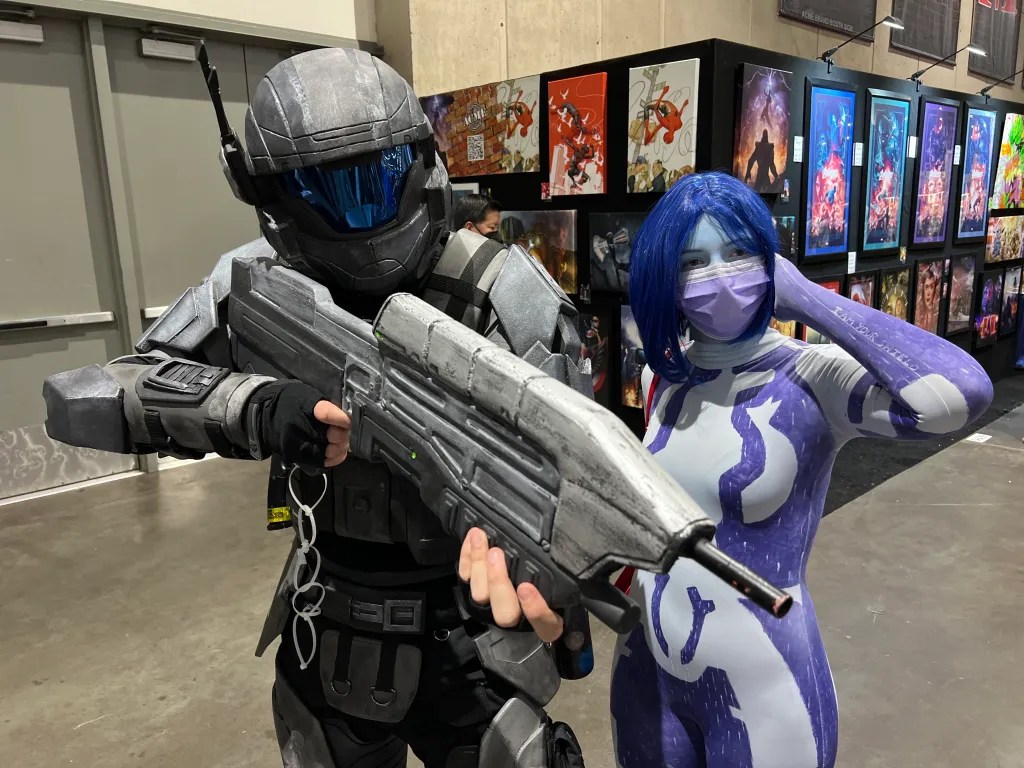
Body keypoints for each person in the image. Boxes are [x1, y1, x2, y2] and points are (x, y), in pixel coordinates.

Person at [42, 48, 591, 768]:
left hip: (475, 630)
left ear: (421, 161)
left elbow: (573, 478)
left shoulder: (503, 289)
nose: (361, 210)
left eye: (378, 177)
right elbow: (93, 393)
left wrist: (567, 604)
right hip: (327, 619)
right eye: (326, 188)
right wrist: (257, 406)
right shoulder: (256, 284)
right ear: (272, 195)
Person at [610, 172, 993, 768]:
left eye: (737, 253)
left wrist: (810, 299)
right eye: (693, 262)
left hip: (763, 684)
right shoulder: (660, 377)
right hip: (646, 667)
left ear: (768, 259)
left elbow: (959, 397)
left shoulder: (813, 378)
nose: (719, 276)